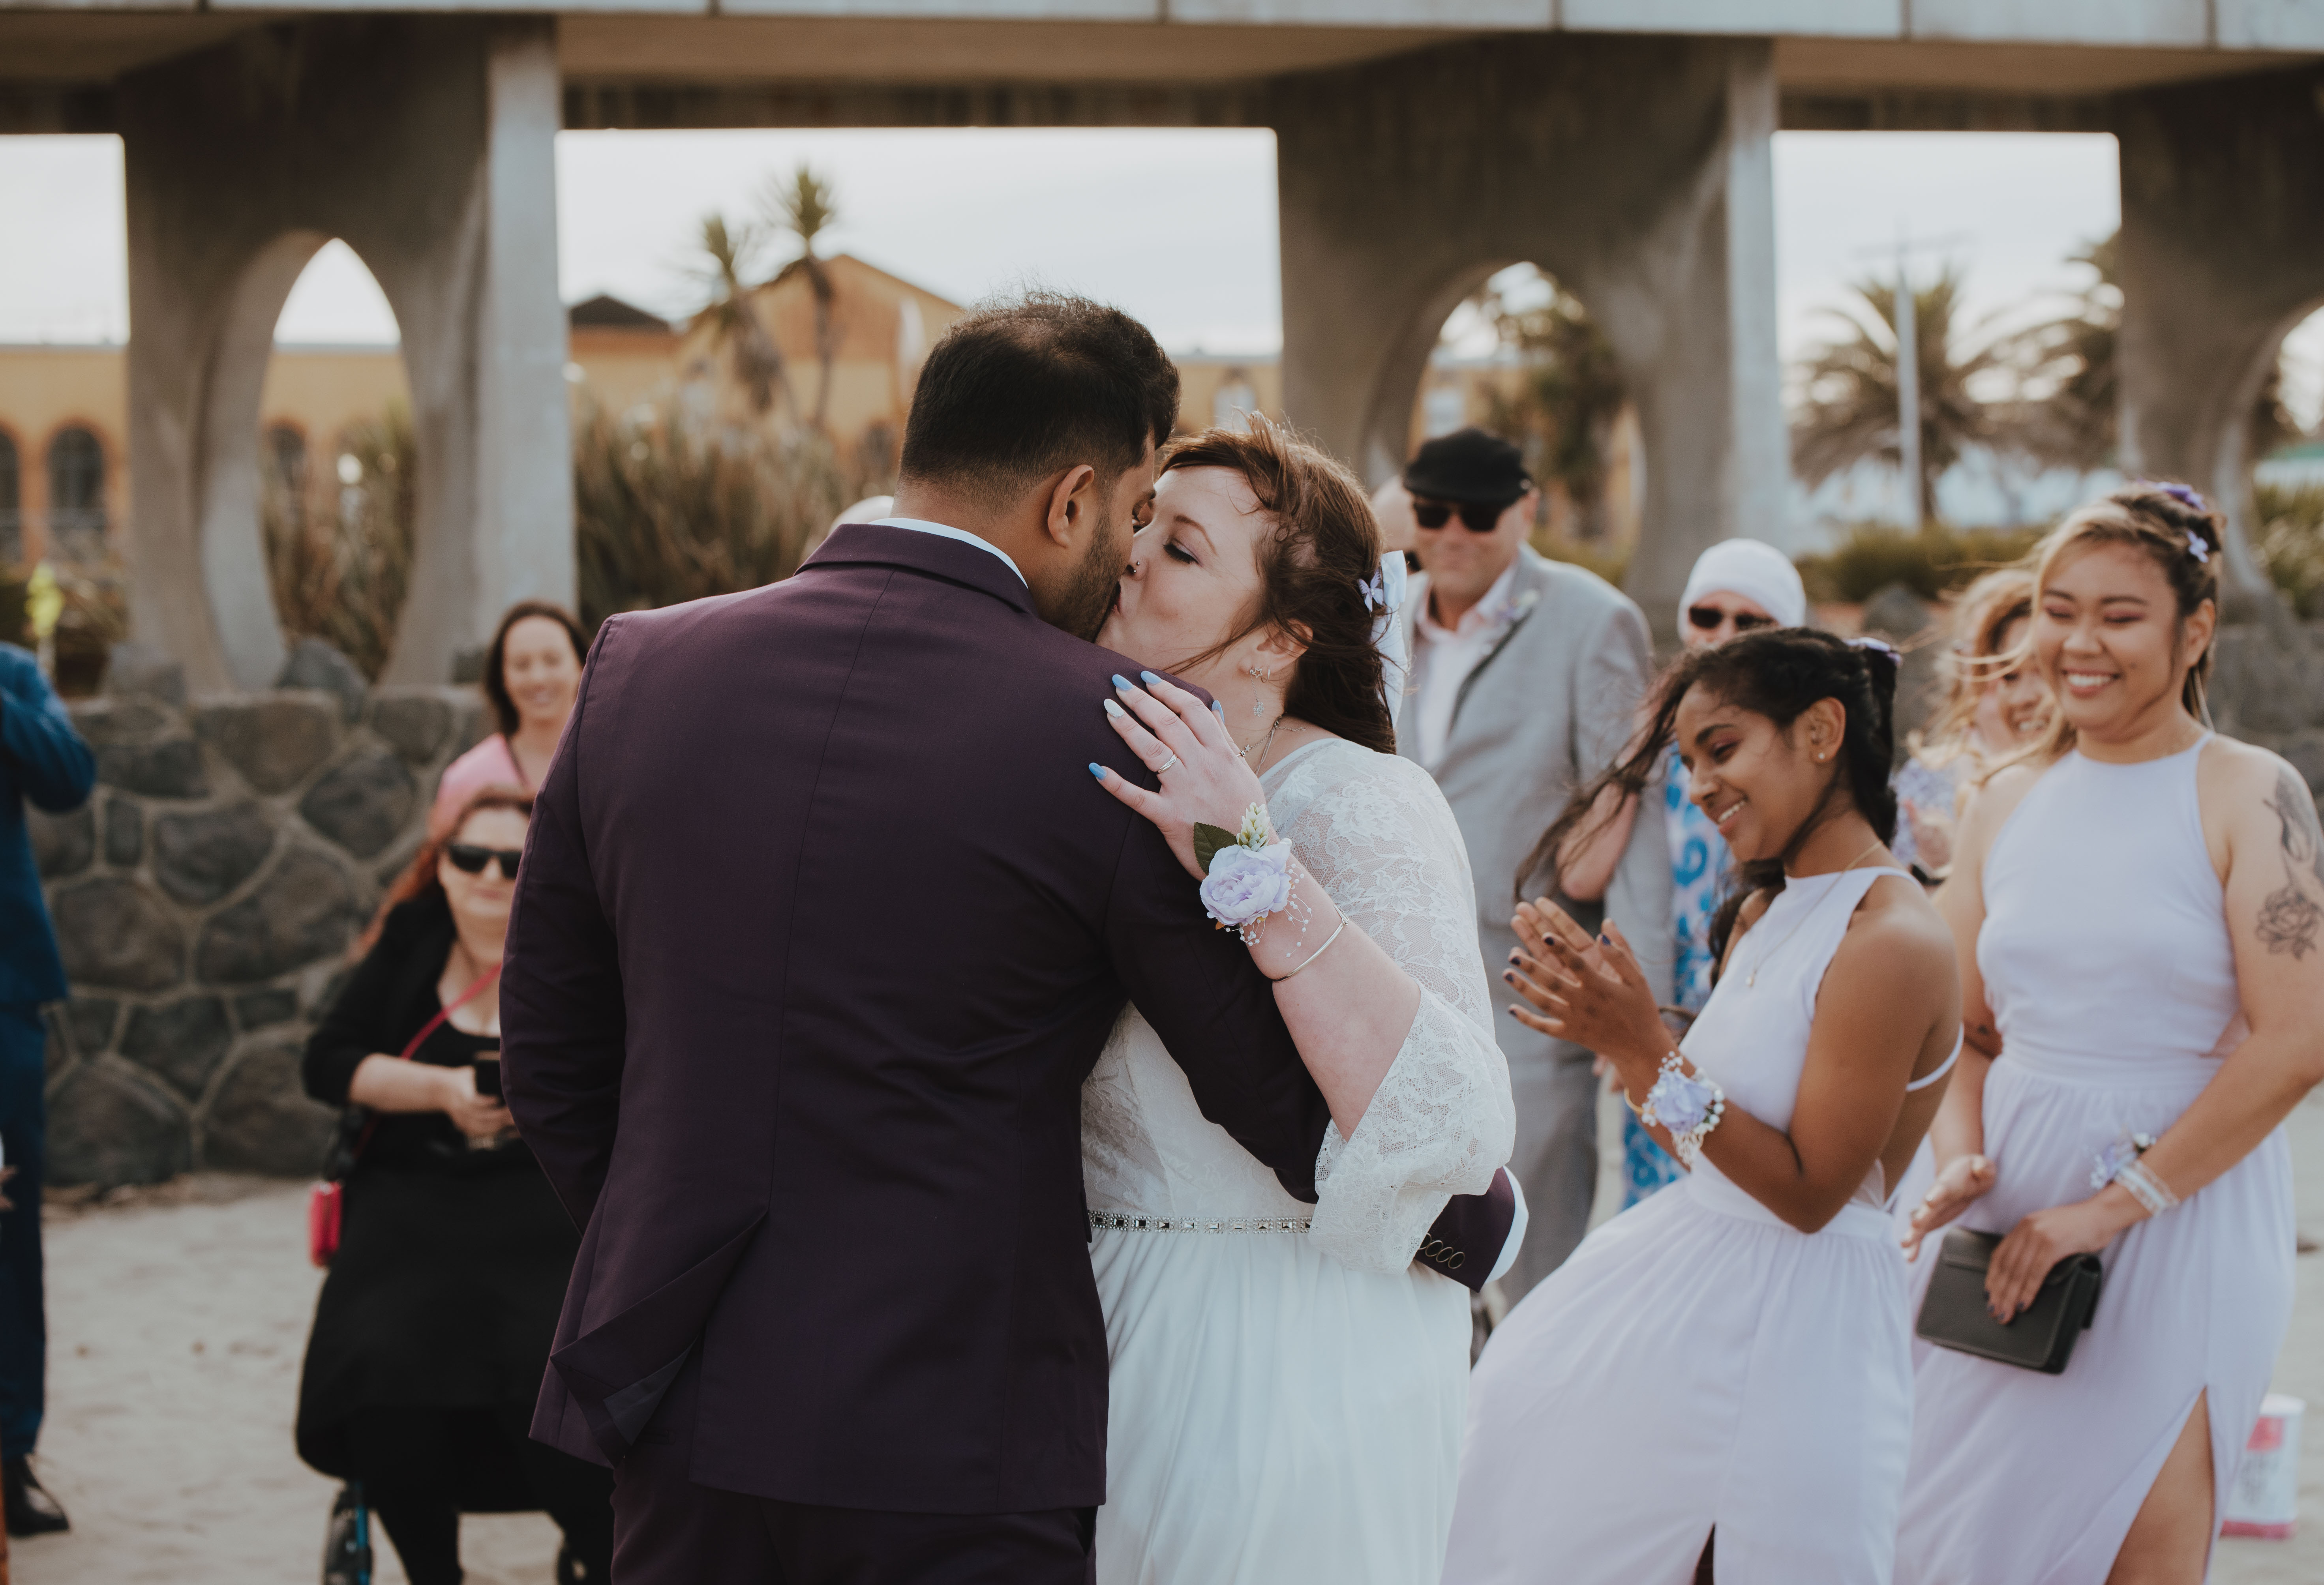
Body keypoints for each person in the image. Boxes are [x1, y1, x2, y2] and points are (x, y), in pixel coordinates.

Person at [499, 292, 1514, 1585]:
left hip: (681, 1393)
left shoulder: (640, 666)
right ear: (1072, 498)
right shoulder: (1102, 727)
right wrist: (1464, 1225)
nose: (1131, 553)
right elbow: (1267, 1087)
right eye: (1135, 510)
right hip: (953, 1415)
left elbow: (548, 1050)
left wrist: (679, 1245)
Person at [1080, 419, 1514, 1583]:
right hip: (1108, 1320)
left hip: (1285, 1341)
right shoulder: (1084, 770)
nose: (1131, 557)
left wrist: (1248, 854)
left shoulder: (1359, 796)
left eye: (1178, 547)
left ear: (1277, 637)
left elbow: (1443, 1114)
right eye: (1140, 525)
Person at [1444, 628, 1962, 1584]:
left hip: (1806, 1322)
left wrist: (1647, 1044)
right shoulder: (1765, 911)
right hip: (1684, 1282)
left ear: (1820, 731)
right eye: (1686, 761)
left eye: (1720, 748)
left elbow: (1809, 1193)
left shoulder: (1890, 937)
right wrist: (1619, 1042)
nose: (1698, 785)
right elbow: (1702, 1148)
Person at [1895, 485, 2324, 1584]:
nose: (2078, 643)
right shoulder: (2005, 799)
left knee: (2141, 1544)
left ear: (2196, 632)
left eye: (2121, 615)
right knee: (1958, 1538)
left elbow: (2297, 1046)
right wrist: (1962, 1163)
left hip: (2185, 1211)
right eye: (2058, 607)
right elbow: (1959, 1027)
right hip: (2010, 1219)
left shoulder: (2249, 794)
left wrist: (2110, 1209)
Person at [295, 785, 613, 1585]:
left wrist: (528, 1107)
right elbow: (327, 1061)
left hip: (541, 1197)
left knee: (542, 1370)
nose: (490, 876)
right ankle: (434, 1571)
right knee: (375, 1364)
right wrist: (438, 1092)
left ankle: (602, 1551)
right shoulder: (412, 939)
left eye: (514, 860)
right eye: (469, 857)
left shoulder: (581, 948)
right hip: (412, 1193)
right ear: (439, 866)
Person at [1396, 425, 1668, 1300]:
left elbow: (1632, 802)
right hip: (1394, 984)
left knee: (1537, 1270)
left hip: (1527, 989)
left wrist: (1643, 997)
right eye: (1431, 512)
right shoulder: (1384, 617)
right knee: (1414, 1261)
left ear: (1525, 510)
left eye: (1477, 515)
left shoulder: (1593, 619)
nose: (1451, 534)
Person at [1539, 537, 1808, 1211]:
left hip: (1763, 1008)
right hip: (1662, 1019)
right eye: (1707, 616)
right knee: (1663, 1223)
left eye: (1752, 622)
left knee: (1755, 1197)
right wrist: (1642, 741)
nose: (1723, 636)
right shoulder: (1658, 745)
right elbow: (1580, 870)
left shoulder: (1811, 748)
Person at [0, 642, 92, 1536]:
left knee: (4, 1219)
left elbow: (70, 776)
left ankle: (9, 1455)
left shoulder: (15, 674)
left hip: (1, 994)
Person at [1891, 566, 2051, 875]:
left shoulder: (2080, 765)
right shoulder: (1924, 779)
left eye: (2020, 657)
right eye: (1981, 651)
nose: (1994, 671)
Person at [431, 601, 586, 827]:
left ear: (583, 665)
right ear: (502, 678)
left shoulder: (617, 764)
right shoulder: (467, 779)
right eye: (521, 665)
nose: (538, 679)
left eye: (553, 660)